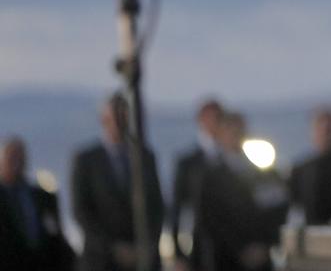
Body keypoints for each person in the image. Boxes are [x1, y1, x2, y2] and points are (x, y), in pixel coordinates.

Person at [70, 93, 164, 271]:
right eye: (116, 117)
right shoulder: (86, 160)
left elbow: (157, 206)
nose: (120, 122)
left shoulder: (145, 157)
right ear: (104, 119)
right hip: (101, 260)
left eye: (125, 116)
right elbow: (81, 210)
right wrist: (113, 249)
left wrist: (145, 246)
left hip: (142, 259)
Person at [194, 111, 288, 271]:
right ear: (221, 135)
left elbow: (278, 209)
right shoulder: (210, 177)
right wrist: (240, 249)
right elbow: (209, 220)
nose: (235, 136)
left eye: (239, 131)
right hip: (226, 260)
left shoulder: (264, 172)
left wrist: (266, 244)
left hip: (261, 257)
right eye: (230, 131)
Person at [0, 136, 75, 271]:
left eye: (20, 157)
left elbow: (56, 235)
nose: (16, 162)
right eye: (11, 157)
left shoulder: (43, 197)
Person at [169, 97, 223, 270]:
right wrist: (178, 252)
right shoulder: (188, 163)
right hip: (199, 245)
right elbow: (177, 208)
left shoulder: (232, 159)